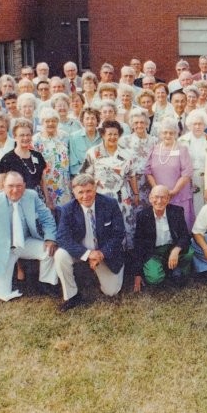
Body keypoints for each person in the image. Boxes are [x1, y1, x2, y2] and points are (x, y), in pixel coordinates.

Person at [0, 171, 58, 301]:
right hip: (3, 248)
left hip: (25, 242)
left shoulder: (31, 196)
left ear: (24, 185)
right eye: (10, 186)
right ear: (3, 186)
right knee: (2, 295)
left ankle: (46, 284)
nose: (15, 190)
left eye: (19, 186)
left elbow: (46, 217)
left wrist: (50, 237)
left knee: (51, 250)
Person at [54, 174, 127, 309]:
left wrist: (101, 254)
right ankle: (71, 296)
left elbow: (119, 234)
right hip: (81, 251)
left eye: (89, 191)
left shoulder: (110, 204)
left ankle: (104, 272)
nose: (85, 196)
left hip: (104, 252)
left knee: (111, 291)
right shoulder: (67, 209)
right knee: (60, 255)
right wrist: (88, 254)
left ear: (95, 189)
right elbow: (63, 237)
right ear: (74, 193)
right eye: (80, 192)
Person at [81, 120, 138, 247]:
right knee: (104, 226)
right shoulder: (93, 153)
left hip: (123, 196)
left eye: (115, 134)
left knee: (125, 226)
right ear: (102, 135)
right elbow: (86, 176)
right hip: (101, 196)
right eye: (109, 134)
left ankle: (126, 255)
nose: (112, 137)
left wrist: (136, 194)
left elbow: (132, 175)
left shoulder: (127, 153)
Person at [134, 185, 194, 286]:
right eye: (156, 197)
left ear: (168, 199)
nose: (159, 201)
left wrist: (176, 250)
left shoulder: (177, 211)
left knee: (189, 252)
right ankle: (167, 269)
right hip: (153, 252)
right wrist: (138, 274)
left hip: (171, 249)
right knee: (154, 279)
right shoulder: (143, 216)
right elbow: (138, 244)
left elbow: (185, 235)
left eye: (163, 197)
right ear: (150, 198)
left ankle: (178, 270)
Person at [146, 118, 195, 227]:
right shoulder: (154, 149)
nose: (168, 135)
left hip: (178, 195)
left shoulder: (182, 149)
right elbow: (148, 171)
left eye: (171, 133)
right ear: (160, 134)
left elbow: (187, 173)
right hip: (158, 197)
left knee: (180, 226)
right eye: (165, 132)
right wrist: (157, 191)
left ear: (176, 134)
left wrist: (173, 191)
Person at [32, 108, 72, 210]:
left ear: (58, 122)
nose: (51, 123)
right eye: (47, 121)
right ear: (42, 123)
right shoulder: (35, 140)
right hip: (45, 183)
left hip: (64, 184)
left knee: (65, 213)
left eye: (53, 121)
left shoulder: (64, 137)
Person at [0, 119, 46, 195]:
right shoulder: (7, 159)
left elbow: (43, 181)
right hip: (17, 198)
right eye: (22, 135)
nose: (25, 138)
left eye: (28, 135)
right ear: (15, 137)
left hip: (37, 198)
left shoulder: (38, 156)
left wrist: (48, 200)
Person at [121, 108, 157, 209]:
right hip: (132, 183)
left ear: (147, 124)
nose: (139, 125)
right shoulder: (124, 141)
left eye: (142, 122)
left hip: (150, 183)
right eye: (136, 123)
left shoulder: (155, 141)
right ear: (131, 125)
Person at [179, 109, 207, 214]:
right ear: (189, 125)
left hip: (206, 179)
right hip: (188, 180)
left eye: (200, 124)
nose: (197, 126)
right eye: (194, 124)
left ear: (205, 125)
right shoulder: (182, 141)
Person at [68, 107, 101, 175]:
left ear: (97, 121)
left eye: (93, 118)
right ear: (82, 121)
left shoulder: (103, 137)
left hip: (101, 175)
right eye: (87, 118)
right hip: (81, 177)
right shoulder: (74, 137)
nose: (90, 121)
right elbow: (73, 164)